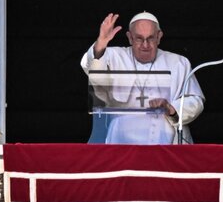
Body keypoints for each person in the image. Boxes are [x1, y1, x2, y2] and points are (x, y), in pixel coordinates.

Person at [80, 12, 204, 144]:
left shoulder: (179, 62)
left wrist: (171, 108)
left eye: (150, 38)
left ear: (159, 37)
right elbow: (92, 69)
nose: (145, 45)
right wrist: (101, 42)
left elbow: (196, 100)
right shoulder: (114, 56)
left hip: (168, 146)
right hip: (122, 144)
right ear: (130, 38)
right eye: (139, 38)